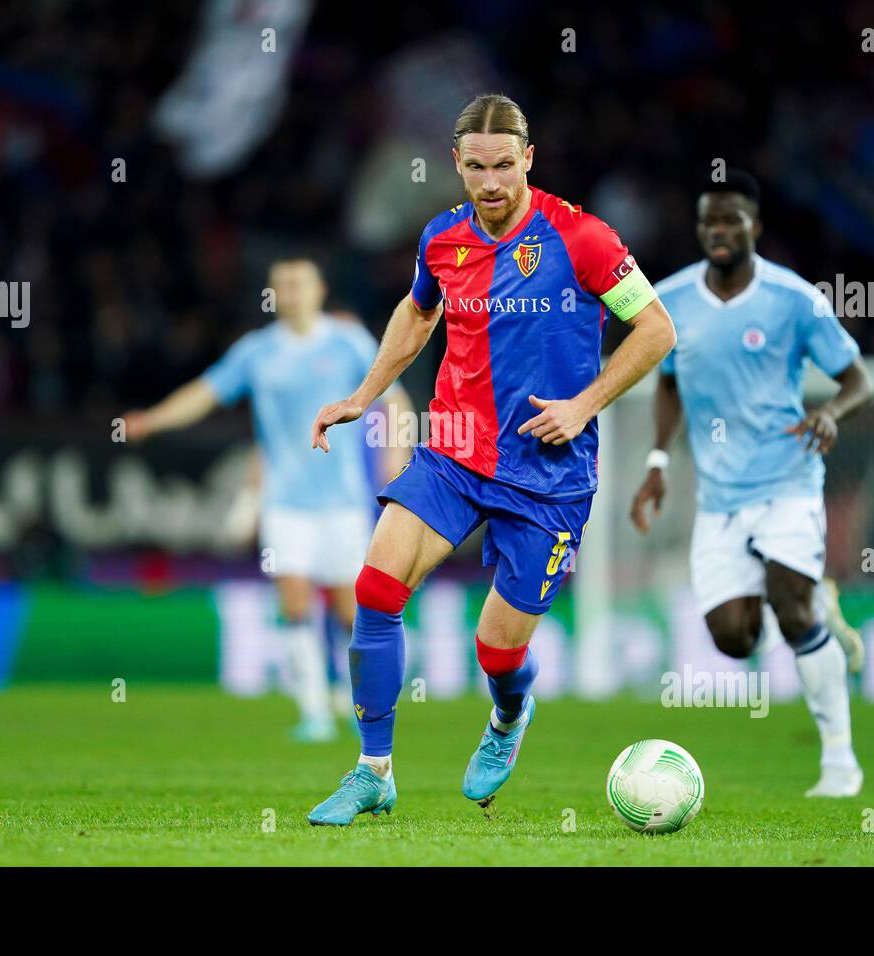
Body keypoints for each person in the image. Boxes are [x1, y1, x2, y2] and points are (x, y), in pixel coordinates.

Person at [305, 93, 676, 825]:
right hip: (455, 452)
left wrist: (584, 404)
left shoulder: (586, 238)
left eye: (505, 166)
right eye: (476, 168)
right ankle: (372, 770)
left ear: (528, 159)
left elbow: (657, 329)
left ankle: (509, 717)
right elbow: (419, 312)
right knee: (377, 589)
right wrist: (365, 393)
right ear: (457, 165)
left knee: (496, 651)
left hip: (549, 470)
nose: (492, 183)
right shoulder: (441, 239)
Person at [630, 169, 874, 797]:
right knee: (734, 638)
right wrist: (658, 463)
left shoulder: (795, 300)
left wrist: (828, 412)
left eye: (731, 218)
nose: (719, 229)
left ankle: (840, 763)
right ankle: (816, 605)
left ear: (754, 226)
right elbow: (668, 381)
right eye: (709, 218)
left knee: (791, 612)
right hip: (719, 496)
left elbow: (857, 380)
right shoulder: (672, 300)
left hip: (788, 479)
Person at [123, 258, 409, 742]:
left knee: (348, 609)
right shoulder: (256, 353)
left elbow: (394, 398)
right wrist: (152, 420)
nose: (290, 293)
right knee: (295, 600)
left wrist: (394, 464)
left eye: (298, 283)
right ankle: (314, 711)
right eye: (281, 286)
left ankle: (349, 692)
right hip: (285, 502)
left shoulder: (349, 343)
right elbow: (204, 393)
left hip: (343, 502)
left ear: (319, 288)